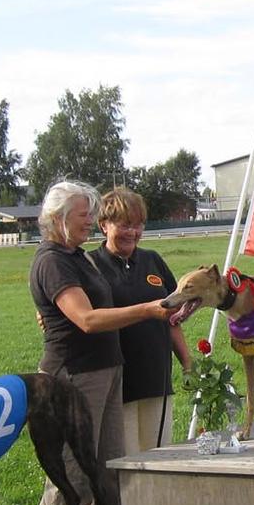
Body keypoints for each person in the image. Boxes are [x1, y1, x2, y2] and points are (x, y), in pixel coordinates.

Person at [28, 180, 169, 505]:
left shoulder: (76, 257)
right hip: (73, 377)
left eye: (91, 213)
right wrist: (148, 310)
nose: (90, 221)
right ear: (57, 218)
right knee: (69, 476)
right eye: (83, 215)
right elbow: (86, 319)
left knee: (105, 471)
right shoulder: (52, 261)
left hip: (108, 370)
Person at [88, 188, 192, 454]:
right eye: (124, 225)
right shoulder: (89, 265)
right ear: (104, 225)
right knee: (126, 460)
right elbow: (73, 310)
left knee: (159, 455)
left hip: (155, 377)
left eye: (138, 225)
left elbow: (172, 320)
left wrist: (188, 363)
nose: (132, 232)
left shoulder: (153, 260)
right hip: (115, 381)